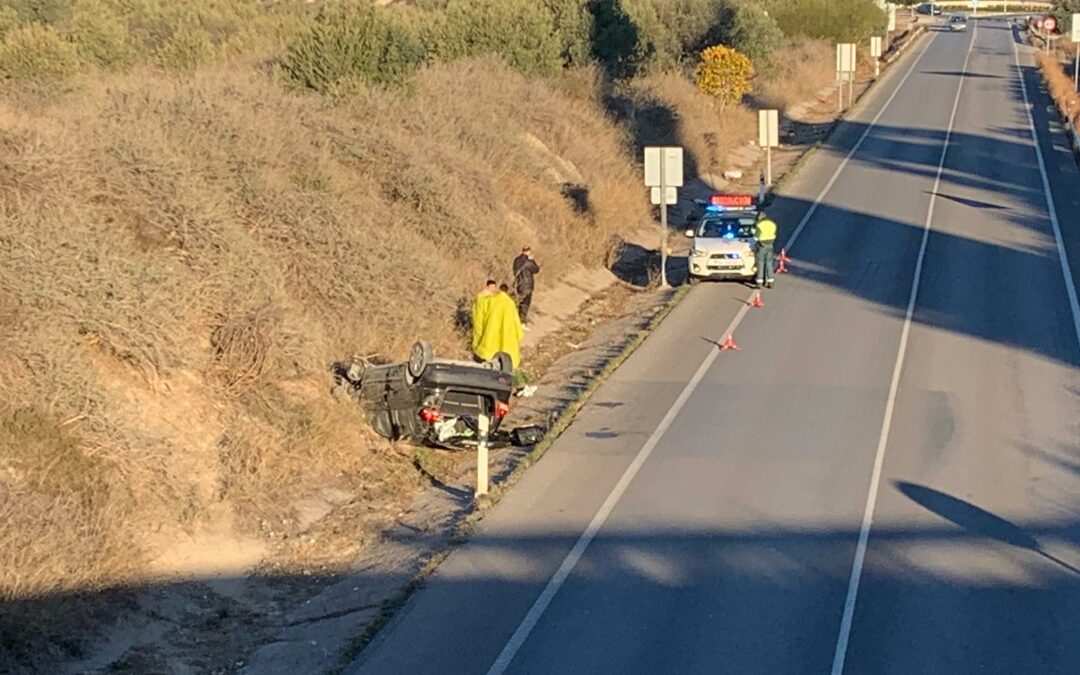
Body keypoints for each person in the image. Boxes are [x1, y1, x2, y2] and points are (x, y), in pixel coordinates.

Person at [473, 281, 525, 369]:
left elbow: (479, 316)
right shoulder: (510, 303)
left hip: (490, 337)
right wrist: (519, 334)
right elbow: (517, 322)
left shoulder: (490, 300)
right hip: (507, 341)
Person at [512, 246, 540, 330]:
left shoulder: (516, 260)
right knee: (525, 304)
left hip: (519, 285)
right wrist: (532, 260)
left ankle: (517, 321)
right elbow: (536, 269)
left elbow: (514, 270)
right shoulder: (528, 262)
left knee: (519, 303)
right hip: (527, 285)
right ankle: (522, 323)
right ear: (528, 252)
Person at [471, 279, 498, 359]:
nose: (493, 289)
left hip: (485, 319)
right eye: (492, 287)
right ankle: (477, 353)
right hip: (479, 318)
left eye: (494, 287)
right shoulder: (482, 296)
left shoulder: (490, 296)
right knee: (478, 335)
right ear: (488, 286)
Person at [754, 211, 778, 289]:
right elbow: (774, 234)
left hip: (762, 245)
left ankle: (759, 283)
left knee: (761, 263)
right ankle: (770, 281)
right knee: (769, 263)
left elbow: (756, 237)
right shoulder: (772, 224)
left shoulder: (759, 225)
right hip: (770, 245)